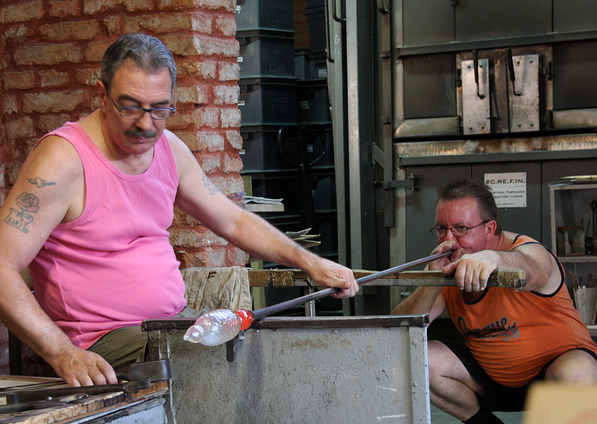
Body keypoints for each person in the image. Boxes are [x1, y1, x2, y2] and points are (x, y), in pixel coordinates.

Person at [0, 34, 358, 387]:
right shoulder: (63, 161)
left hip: (168, 326)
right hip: (102, 342)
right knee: (213, 368)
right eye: (130, 106)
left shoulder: (169, 149)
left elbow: (231, 219)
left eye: (159, 109)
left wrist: (310, 261)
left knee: (263, 353)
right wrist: (63, 353)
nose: (145, 124)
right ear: (101, 95)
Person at [392, 178, 597, 424]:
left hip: (552, 374)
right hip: (492, 379)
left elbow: (533, 269)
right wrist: (432, 279)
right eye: (441, 229)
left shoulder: (528, 250)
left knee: (577, 373)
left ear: (490, 229)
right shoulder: (448, 262)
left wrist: (493, 258)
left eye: (461, 229)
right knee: (416, 357)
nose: (448, 240)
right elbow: (400, 331)